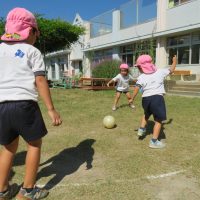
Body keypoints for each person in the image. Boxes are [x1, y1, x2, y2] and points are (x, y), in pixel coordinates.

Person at [0, 8, 62, 199]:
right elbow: (40, 81)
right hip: (25, 105)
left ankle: (2, 190)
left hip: (2, 106)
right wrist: (51, 109)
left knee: (9, 147)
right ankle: (27, 190)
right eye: (37, 31)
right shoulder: (32, 51)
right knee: (34, 145)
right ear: (31, 31)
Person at [131, 55, 176, 149]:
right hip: (157, 99)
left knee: (146, 114)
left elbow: (137, 88)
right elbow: (171, 70)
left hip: (146, 99)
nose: (139, 69)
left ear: (143, 67)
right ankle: (154, 142)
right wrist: (174, 61)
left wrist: (132, 98)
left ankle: (141, 129)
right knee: (159, 120)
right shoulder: (160, 71)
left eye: (139, 67)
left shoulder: (141, 77)